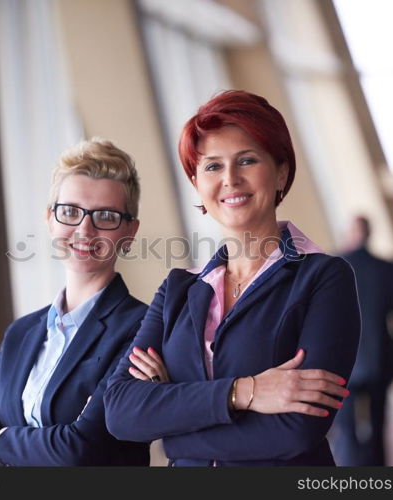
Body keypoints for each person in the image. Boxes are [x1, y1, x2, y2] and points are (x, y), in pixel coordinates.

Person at [103, 90, 361, 466]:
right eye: (212, 167)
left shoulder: (323, 278)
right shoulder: (178, 289)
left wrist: (172, 436)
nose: (230, 179)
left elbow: (298, 428)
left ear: (281, 173)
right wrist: (245, 392)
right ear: (196, 183)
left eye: (247, 160)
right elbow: (120, 411)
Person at [0, 138, 149, 466]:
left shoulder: (142, 327)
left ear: (129, 232)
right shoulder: (22, 333)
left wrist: (3, 440)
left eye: (105, 216)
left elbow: (79, 450)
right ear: (50, 219)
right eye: (70, 212)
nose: (84, 230)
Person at [331, 215, 393, 466]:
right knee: (377, 429)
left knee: (347, 431)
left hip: (342, 363)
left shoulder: (334, 265)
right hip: (381, 360)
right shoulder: (388, 268)